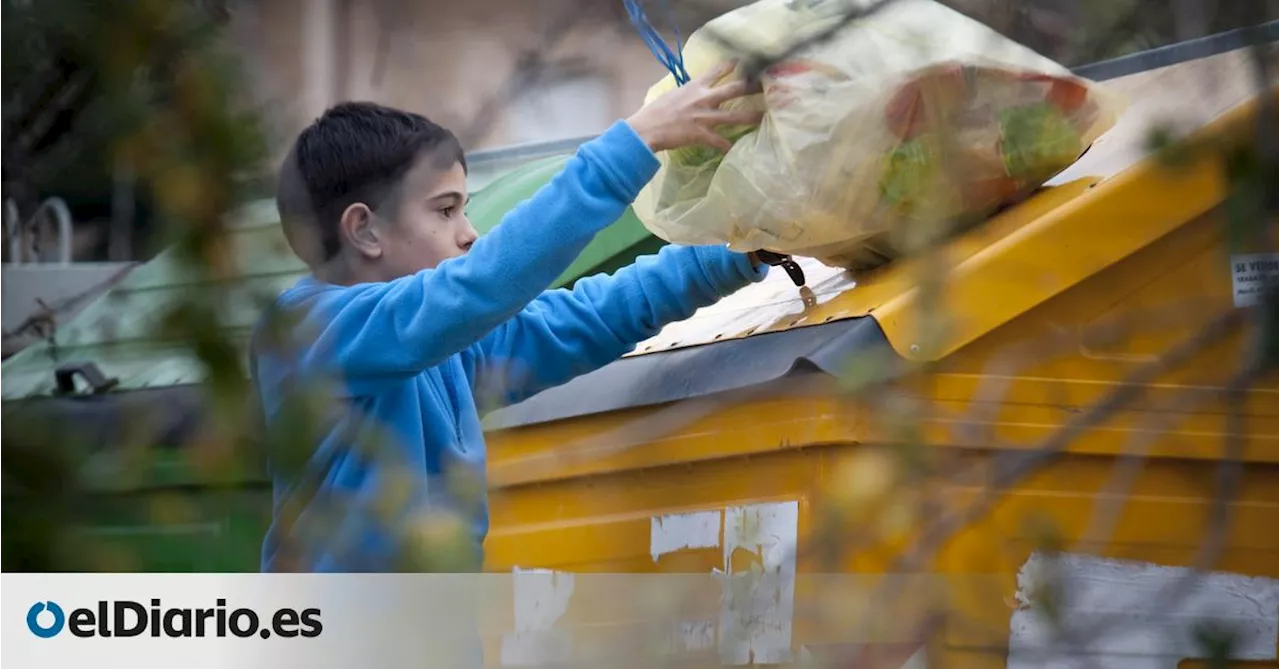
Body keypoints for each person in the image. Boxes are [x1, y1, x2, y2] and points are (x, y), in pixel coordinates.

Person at [252, 60, 767, 573]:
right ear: (364, 231)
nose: (469, 232)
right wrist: (634, 144)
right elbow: (481, 285)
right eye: (445, 210)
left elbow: (586, 318)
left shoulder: (446, 349)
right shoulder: (308, 333)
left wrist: (739, 248)